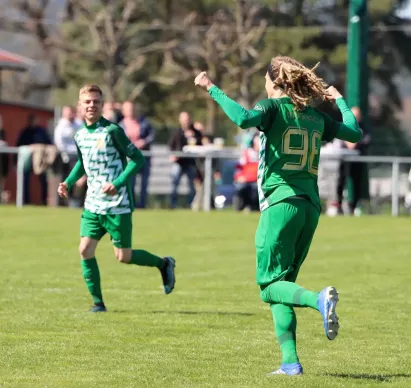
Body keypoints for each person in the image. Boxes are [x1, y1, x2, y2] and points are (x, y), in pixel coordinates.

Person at [194, 56, 362, 376]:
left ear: (273, 82)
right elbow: (354, 133)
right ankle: (290, 363)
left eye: (265, 79)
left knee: (269, 286)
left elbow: (243, 119)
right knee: (283, 286)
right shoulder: (314, 116)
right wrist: (339, 100)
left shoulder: (272, 108)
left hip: (280, 205)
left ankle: (318, 300)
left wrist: (211, 88)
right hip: (310, 207)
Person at [58, 84, 176, 313]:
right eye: (87, 102)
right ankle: (98, 303)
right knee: (84, 250)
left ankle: (164, 263)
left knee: (123, 256)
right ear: (80, 106)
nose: (92, 105)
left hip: (117, 204)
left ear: (102, 105)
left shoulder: (112, 131)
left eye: (96, 101)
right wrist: (68, 182)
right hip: (92, 203)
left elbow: (138, 159)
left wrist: (118, 183)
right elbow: (83, 162)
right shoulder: (79, 135)